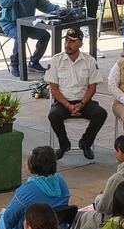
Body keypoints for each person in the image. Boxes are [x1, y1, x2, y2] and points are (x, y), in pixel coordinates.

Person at [0, 146, 73, 229]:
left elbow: (9, 219)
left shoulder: (25, 191)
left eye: (28, 160)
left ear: (33, 167)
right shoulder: (61, 181)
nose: (25, 163)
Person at [46, 27, 108, 157]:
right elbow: (53, 88)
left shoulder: (89, 60)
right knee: (53, 115)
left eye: (72, 41)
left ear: (80, 43)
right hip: (63, 102)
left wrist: (82, 103)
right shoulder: (56, 60)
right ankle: (64, 144)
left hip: (83, 101)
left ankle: (85, 143)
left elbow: (92, 86)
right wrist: (68, 106)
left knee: (101, 114)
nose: (67, 45)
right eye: (66, 41)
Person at [0, 0, 63, 76]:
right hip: (10, 24)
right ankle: (14, 63)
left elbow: (44, 5)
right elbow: (3, 3)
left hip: (28, 23)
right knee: (20, 35)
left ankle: (34, 62)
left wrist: (58, 9)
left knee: (45, 35)